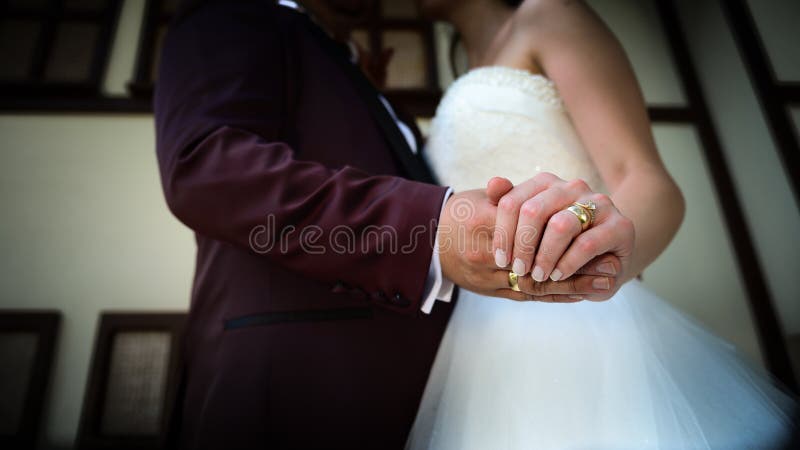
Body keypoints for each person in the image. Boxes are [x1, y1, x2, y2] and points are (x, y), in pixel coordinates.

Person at [154, 0, 621, 448]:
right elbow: (206, 169)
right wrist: (432, 230)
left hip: (449, 388)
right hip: (296, 392)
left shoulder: (356, 70)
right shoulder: (231, 13)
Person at [407, 0, 799, 448]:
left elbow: (647, 181)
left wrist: (589, 266)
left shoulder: (548, 15)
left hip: (581, 328)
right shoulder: (461, 77)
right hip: (469, 344)